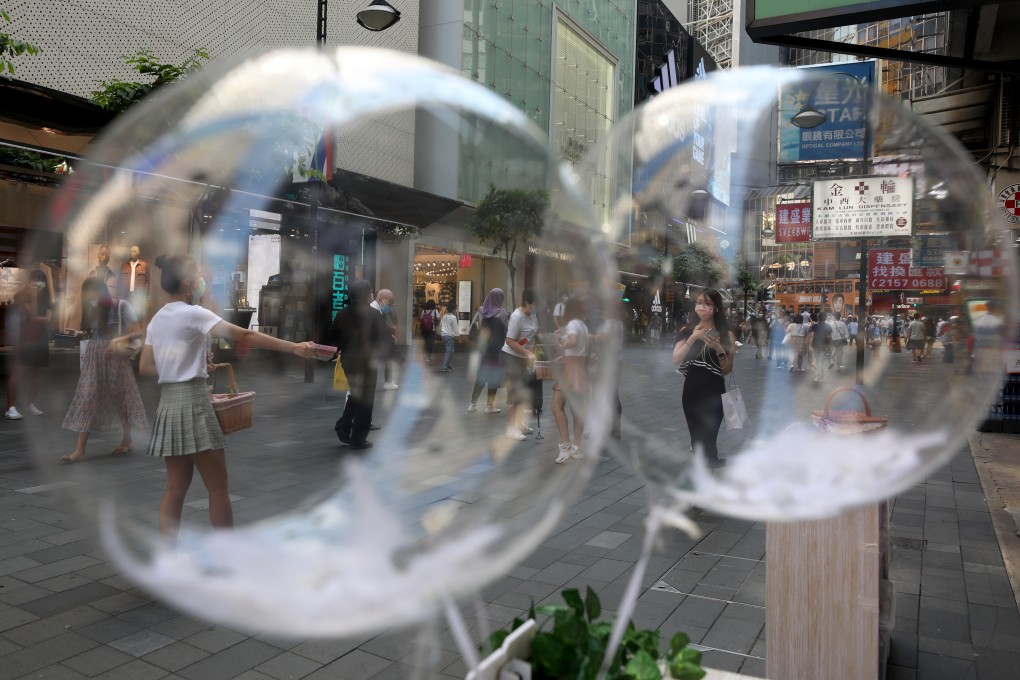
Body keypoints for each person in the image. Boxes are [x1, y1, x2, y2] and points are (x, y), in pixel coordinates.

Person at [140, 255, 313, 540]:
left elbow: (146, 367)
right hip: (194, 403)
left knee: (174, 488)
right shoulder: (194, 313)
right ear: (186, 283)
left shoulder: (157, 319)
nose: (201, 281)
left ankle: (168, 558)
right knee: (218, 487)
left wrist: (182, 363)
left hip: (169, 405)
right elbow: (246, 335)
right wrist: (294, 348)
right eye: (197, 276)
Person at [60, 279, 147, 462]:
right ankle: (80, 449)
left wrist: (117, 340)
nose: (91, 298)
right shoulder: (93, 308)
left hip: (115, 357)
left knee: (120, 397)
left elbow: (138, 332)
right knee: (87, 397)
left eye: (93, 293)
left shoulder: (121, 305)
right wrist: (79, 334)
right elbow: (97, 331)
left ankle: (127, 439)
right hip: (95, 357)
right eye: (88, 295)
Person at [672, 289, 735, 469]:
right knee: (697, 435)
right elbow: (676, 359)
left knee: (710, 433)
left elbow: (727, 369)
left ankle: (709, 461)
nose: (701, 307)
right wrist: (693, 337)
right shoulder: (686, 331)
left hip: (715, 391)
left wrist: (718, 349)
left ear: (716, 308)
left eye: (707, 303)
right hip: (692, 391)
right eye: (699, 302)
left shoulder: (726, 335)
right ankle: (707, 462)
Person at [331, 280, 386, 449]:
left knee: (356, 393)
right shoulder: (374, 315)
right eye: (370, 292)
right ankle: (358, 438)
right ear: (366, 294)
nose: (371, 294)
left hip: (348, 360)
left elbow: (332, 336)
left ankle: (343, 426)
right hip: (367, 362)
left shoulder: (342, 313)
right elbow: (382, 340)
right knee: (365, 399)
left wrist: (340, 348)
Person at [6, 271, 52, 420]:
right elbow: (31, 314)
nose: (38, 284)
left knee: (37, 373)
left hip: (40, 337)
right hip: (24, 338)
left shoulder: (45, 296)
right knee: (19, 371)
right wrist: (33, 297)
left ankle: (30, 403)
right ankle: (10, 407)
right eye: (35, 281)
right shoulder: (22, 296)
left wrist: (40, 318)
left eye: (41, 281)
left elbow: (49, 318)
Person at [552, 297, 590, 463]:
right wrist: (565, 356)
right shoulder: (583, 325)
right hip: (580, 370)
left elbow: (573, 341)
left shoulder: (573, 324)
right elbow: (581, 350)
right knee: (577, 410)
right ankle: (577, 447)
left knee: (556, 406)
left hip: (570, 371)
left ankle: (565, 446)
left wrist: (561, 345)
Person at [468, 288, 509, 414]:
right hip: (497, 350)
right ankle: (489, 406)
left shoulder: (481, 311)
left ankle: (472, 404)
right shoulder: (503, 313)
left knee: (481, 377)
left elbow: (472, 328)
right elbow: (507, 332)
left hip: (483, 350)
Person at [595, 299, 626, 439]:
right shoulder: (618, 322)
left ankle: (610, 427)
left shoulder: (610, 323)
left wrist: (592, 336)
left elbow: (601, 339)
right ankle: (615, 428)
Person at [370, 288, 399, 390]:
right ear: (382, 299)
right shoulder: (373, 311)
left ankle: (388, 382)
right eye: (390, 304)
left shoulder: (378, 310)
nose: (390, 307)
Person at [118, 245, 150, 320]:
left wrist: (146, 299)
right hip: (126, 296)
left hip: (138, 297)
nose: (133, 253)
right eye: (131, 251)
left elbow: (147, 283)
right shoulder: (124, 265)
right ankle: (127, 331)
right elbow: (119, 282)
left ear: (139, 252)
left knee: (138, 317)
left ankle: (137, 331)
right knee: (126, 317)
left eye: (135, 251)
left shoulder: (144, 265)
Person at [808, 311, 831, 383]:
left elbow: (812, 335)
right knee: (820, 361)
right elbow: (829, 337)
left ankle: (818, 376)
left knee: (819, 360)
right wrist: (831, 344)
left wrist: (810, 344)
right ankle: (821, 375)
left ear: (818, 317)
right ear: (826, 318)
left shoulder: (815, 325)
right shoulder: (828, 326)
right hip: (824, 345)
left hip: (816, 345)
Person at [439, 302, 459, 373]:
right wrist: (457, 337)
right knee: (448, 352)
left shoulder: (444, 316)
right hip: (449, 336)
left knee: (450, 351)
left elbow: (441, 324)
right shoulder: (453, 317)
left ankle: (448, 365)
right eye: (455, 309)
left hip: (443, 335)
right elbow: (456, 328)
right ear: (453, 309)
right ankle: (444, 367)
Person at [420, 299, 439, 364]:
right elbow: (438, 319)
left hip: (424, 329)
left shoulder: (423, 311)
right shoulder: (435, 311)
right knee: (430, 343)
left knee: (426, 342)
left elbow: (421, 318)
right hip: (432, 329)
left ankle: (425, 355)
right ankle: (428, 357)